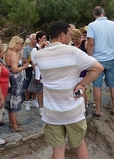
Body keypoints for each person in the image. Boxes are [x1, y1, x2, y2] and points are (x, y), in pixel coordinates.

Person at [33, 21, 103, 159]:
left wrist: (42, 48)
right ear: (61, 35)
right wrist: (82, 84)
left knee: (58, 148)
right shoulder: (73, 52)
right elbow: (98, 68)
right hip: (73, 110)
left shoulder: (39, 55)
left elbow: (37, 61)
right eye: (69, 34)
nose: (70, 38)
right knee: (79, 144)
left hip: (52, 112)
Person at [87, 6, 114, 116]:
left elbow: (91, 43)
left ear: (94, 15)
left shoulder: (92, 26)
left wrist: (88, 58)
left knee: (97, 85)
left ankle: (98, 110)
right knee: (113, 84)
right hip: (111, 58)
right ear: (104, 13)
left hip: (97, 59)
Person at [4, 36, 29, 132]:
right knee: (15, 102)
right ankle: (14, 126)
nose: (22, 46)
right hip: (16, 81)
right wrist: (25, 66)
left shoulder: (8, 52)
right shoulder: (13, 54)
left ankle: (12, 121)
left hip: (11, 80)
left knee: (10, 100)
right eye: (20, 44)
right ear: (16, 43)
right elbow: (15, 69)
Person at [70, 28, 90, 113]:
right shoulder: (71, 47)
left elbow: (89, 55)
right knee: (75, 90)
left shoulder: (85, 43)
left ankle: (84, 109)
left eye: (75, 39)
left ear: (79, 37)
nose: (74, 41)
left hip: (83, 69)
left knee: (83, 90)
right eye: (72, 40)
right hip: (74, 71)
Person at [29, 31, 47, 116]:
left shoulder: (46, 47)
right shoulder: (35, 50)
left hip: (46, 72)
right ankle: (41, 108)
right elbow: (33, 63)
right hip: (39, 73)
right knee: (40, 91)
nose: (45, 40)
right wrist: (37, 75)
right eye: (44, 38)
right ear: (39, 39)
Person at [21, 33, 38, 111]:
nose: (36, 40)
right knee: (28, 86)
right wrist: (30, 61)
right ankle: (27, 101)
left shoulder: (38, 48)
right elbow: (23, 58)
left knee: (35, 84)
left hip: (37, 68)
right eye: (34, 39)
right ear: (30, 40)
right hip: (29, 68)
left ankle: (34, 100)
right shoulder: (26, 49)